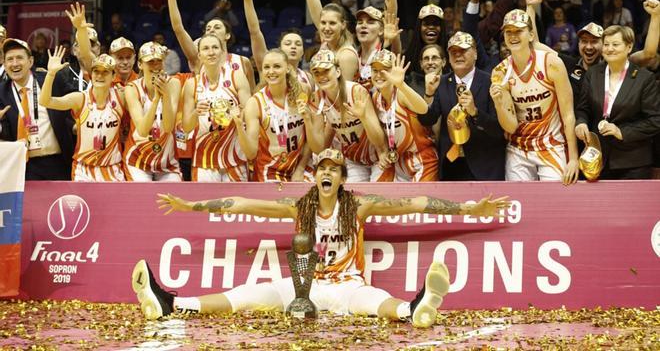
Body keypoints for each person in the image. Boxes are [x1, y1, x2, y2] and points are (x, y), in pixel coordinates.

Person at [134, 148, 510, 327]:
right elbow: (241, 202)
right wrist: (190, 206)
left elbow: (416, 201)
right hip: (304, 289)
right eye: (321, 169)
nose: (326, 173)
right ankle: (172, 303)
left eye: (334, 169)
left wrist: (467, 209)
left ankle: (414, 309)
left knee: (376, 301)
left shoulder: (359, 205)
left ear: (343, 179)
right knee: (244, 295)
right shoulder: (300, 206)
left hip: (347, 286)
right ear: (315, 176)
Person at [490, 6, 579, 184]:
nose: (513, 36)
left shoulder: (552, 63)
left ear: (531, 35)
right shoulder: (500, 72)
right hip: (518, 148)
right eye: (508, 32)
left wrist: (574, 158)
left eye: (518, 31)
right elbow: (510, 126)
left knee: (555, 203)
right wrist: (499, 102)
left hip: (552, 144)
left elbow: (568, 114)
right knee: (521, 204)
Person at [575, 17, 660, 179]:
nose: (609, 49)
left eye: (615, 44)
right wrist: (581, 123)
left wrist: (621, 131)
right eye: (606, 44)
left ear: (629, 47)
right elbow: (583, 109)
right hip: (597, 159)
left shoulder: (644, 78)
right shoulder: (593, 74)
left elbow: (655, 120)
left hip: (633, 162)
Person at [420, 31, 505, 180]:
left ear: (476, 54)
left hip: (484, 167)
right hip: (450, 165)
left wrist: (475, 113)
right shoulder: (442, 82)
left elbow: (499, 129)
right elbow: (427, 120)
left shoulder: (491, 82)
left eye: (463, 50)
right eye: (453, 51)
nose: (458, 55)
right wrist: (428, 94)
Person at [300, 49, 388, 182]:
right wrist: (307, 120)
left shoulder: (356, 91)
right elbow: (319, 148)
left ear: (338, 71)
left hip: (378, 155)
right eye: (316, 73)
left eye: (326, 71)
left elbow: (379, 139)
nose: (321, 76)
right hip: (353, 160)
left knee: (377, 197)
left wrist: (363, 118)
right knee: (349, 199)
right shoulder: (317, 99)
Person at [161, 0, 256, 91]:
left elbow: (251, 97)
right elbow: (179, 29)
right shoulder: (198, 59)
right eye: (208, 28)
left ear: (227, 35)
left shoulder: (243, 62)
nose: (211, 30)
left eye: (217, 27)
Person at [39, 52, 125, 181]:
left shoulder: (121, 97)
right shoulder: (80, 98)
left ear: (113, 76)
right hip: (84, 170)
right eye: (96, 71)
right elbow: (45, 101)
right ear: (91, 74)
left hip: (112, 168)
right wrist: (51, 74)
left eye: (105, 72)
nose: (100, 75)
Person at [234, 49, 312, 182]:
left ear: (288, 68)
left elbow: (309, 137)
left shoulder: (303, 91)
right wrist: (240, 127)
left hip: (300, 164)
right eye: (266, 67)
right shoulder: (255, 103)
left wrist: (300, 169)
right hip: (270, 170)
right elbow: (251, 153)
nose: (271, 71)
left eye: (276, 66)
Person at [0, 39, 74, 180]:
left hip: (58, 162)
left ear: (31, 61)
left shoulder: (52, 80)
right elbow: (5, 134)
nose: (14, 63)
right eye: (10, 59)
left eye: (19, 58)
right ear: (4, 64)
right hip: (23, 167)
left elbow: (78, 100)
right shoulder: (1, 93)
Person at [181, 34, 251, 182]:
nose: (211, 52)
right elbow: (186, 127)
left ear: (222, 52)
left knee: (237, 205)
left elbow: (250, 115)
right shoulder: (191, 84)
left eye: (215, 47)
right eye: (206, 48)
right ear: (199, 55)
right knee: (206, 205)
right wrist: (196, 112)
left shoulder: (236, 77)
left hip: (235, 157)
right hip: (204, 160)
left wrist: (238, 114)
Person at [233, 0, 313, 92]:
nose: (293, 47)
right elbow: (255, 32)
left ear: (302, 52)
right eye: (288, 43)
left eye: (297, 44)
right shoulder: (268, 65)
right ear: (279, 49)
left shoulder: (309, 78)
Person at [369, 50, 438, 181]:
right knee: (378, 199)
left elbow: (424, 109)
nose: (379, 75)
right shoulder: (375, 98)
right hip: (397, 162)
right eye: (375, 70)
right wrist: (382, 152)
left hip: (422, 160)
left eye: (385, 70)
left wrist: (401, 84)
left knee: (416, 201)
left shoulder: (401, 94)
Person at [123, 42, 182, 182]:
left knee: (171, 200)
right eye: (150, 61)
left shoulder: (173, 84)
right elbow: (142, 131)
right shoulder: (132, 88)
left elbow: (167, 127)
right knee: (143, 199)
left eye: (158, 61)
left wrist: (165, 95)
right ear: (140, 65)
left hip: (166, 162)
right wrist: (156, 100)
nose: (155, 65)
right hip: (137, 160)